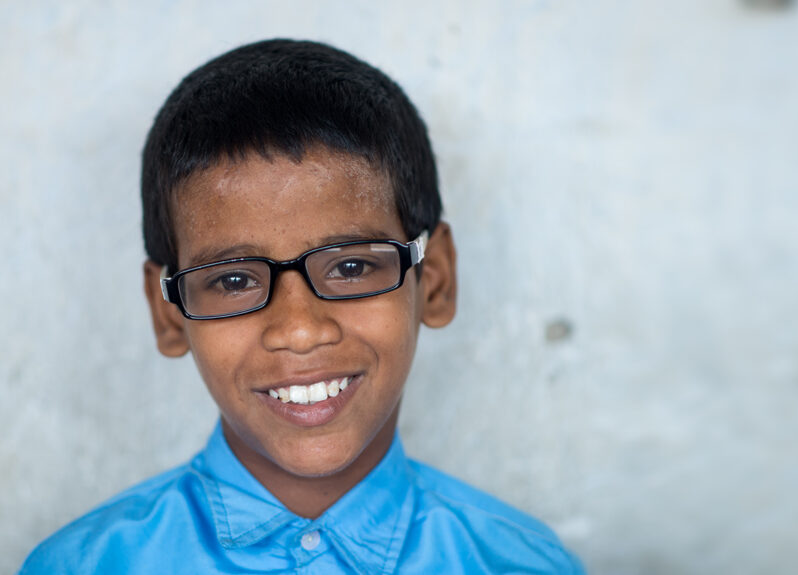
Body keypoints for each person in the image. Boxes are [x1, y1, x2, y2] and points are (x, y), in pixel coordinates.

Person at [20, 38, 584, 574]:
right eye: (234, 280)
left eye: (351, 267)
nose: (299, 331)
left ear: (433, 281)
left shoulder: (522, 565)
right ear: (169, 312)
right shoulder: (81, 567)